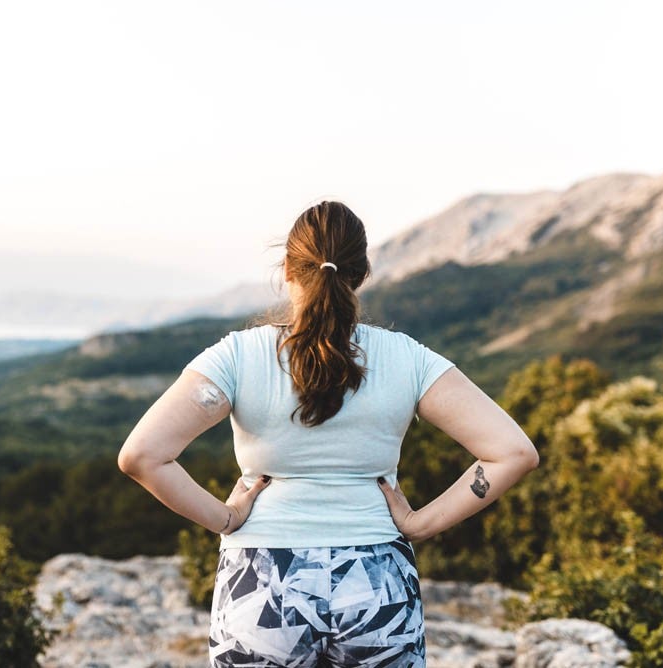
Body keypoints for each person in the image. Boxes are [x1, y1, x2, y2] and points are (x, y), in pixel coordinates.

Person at [118, 200, 540, 667]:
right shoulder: (408, 358)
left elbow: (142, 455)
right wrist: (421, 523)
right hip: (375, 581)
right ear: (360, 274)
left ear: (286, 269)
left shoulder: (238, 356)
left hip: (261, 581)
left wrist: (225, 517)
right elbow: (512, 452)